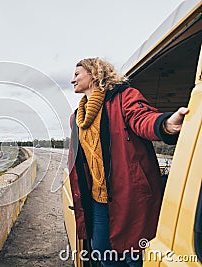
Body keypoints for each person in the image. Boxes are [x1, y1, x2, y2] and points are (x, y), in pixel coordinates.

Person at [68, 57, 189, 267]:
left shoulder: (124, 97)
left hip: (131, 195)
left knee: (136, 256)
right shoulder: (77, 117)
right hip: (97, 200)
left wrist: (166, 124)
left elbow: (143, 118)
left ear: (95, 73)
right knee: (103, 254)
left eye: (77, 74)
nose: (72, 80)